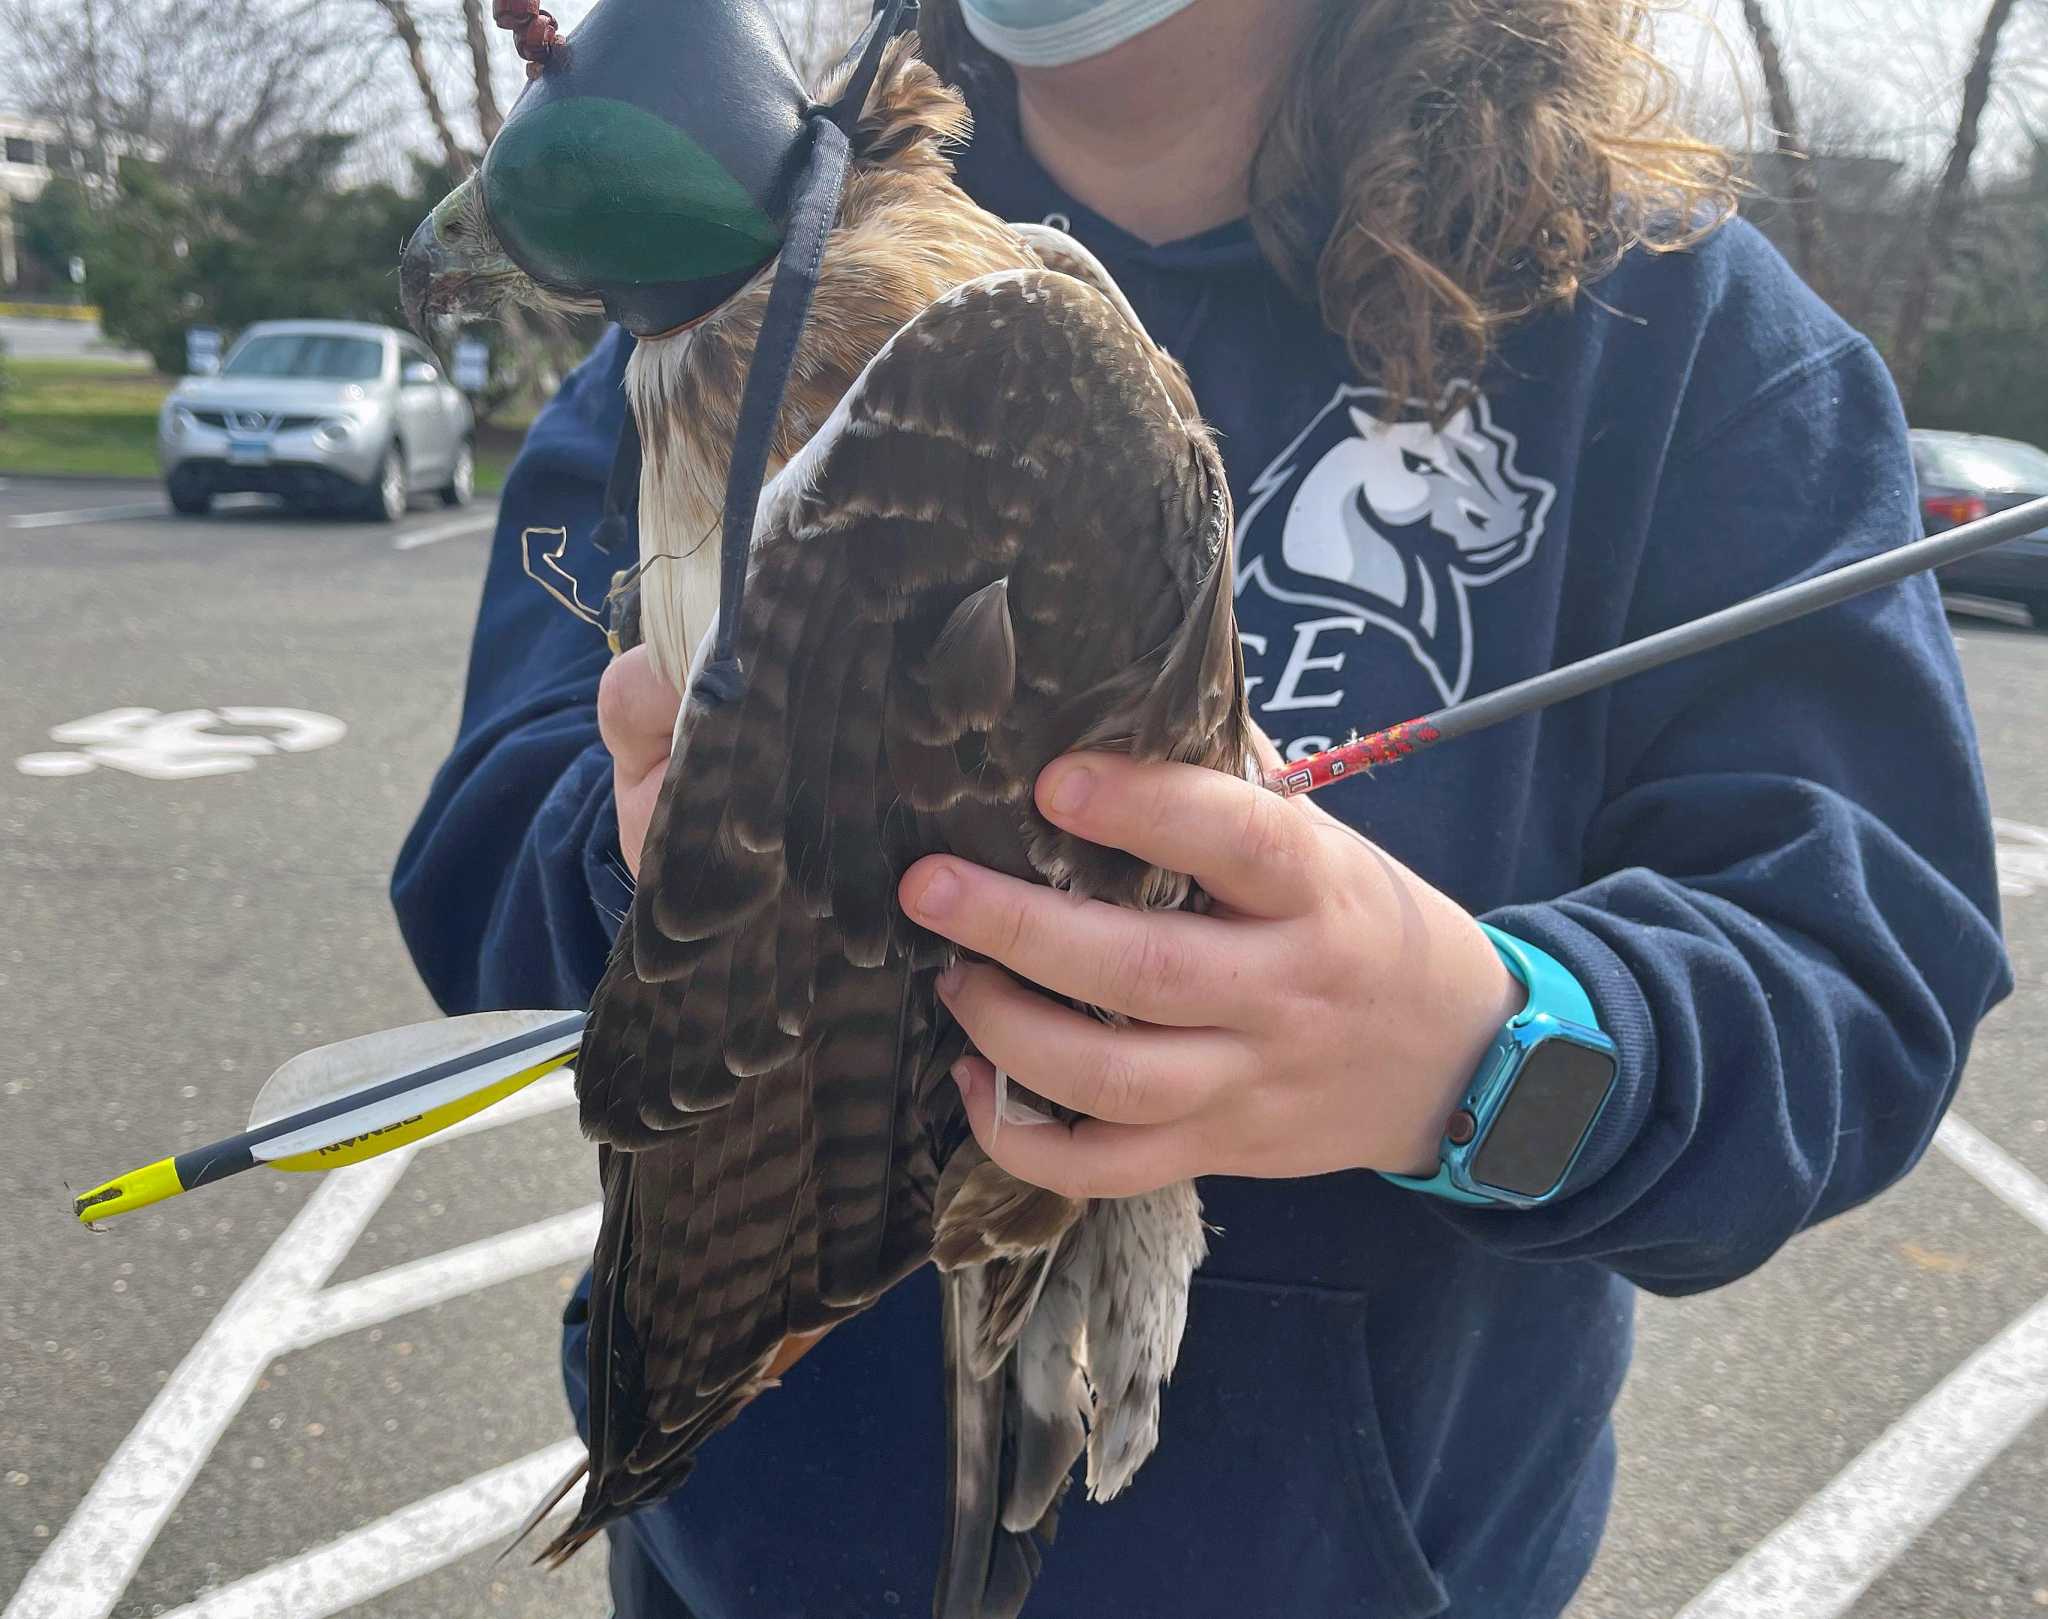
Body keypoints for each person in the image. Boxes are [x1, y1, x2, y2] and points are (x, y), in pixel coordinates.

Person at [392, 1, 2013, 1613]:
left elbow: (1863, 978)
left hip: (1349, 1559)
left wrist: (1487, 1055)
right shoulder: (758, 255)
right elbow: (484, 848)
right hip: (762, 1552)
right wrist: (697, 894)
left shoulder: (1683, 334)